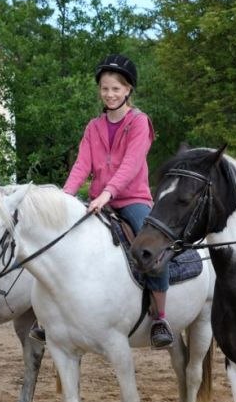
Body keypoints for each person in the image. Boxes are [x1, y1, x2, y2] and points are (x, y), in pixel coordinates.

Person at [42, 53, 172, 350]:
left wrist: (107, 193)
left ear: (128, 90)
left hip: (132, 198)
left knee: (153, 248)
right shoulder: (93, 127)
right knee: (63, 243)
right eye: (105, 88)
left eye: (116, 88)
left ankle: (160, 317)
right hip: (98, 200)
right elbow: (81, 165)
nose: (110, 94)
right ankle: (55, 315)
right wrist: (64, 197)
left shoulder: (140, 123)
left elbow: (130, 164)